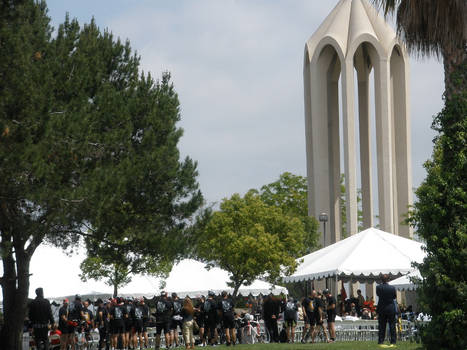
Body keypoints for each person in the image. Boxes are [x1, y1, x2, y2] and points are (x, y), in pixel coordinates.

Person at [376, 274, 397, 346]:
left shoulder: (378, 287)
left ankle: (381, 341)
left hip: (382, 308)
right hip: (391, 308)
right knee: (392, 325)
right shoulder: (392, 288)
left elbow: (378, 295)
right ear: (389, 279)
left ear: (381, 280)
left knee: (382, 325)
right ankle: (393, 341)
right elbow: (394, 297)